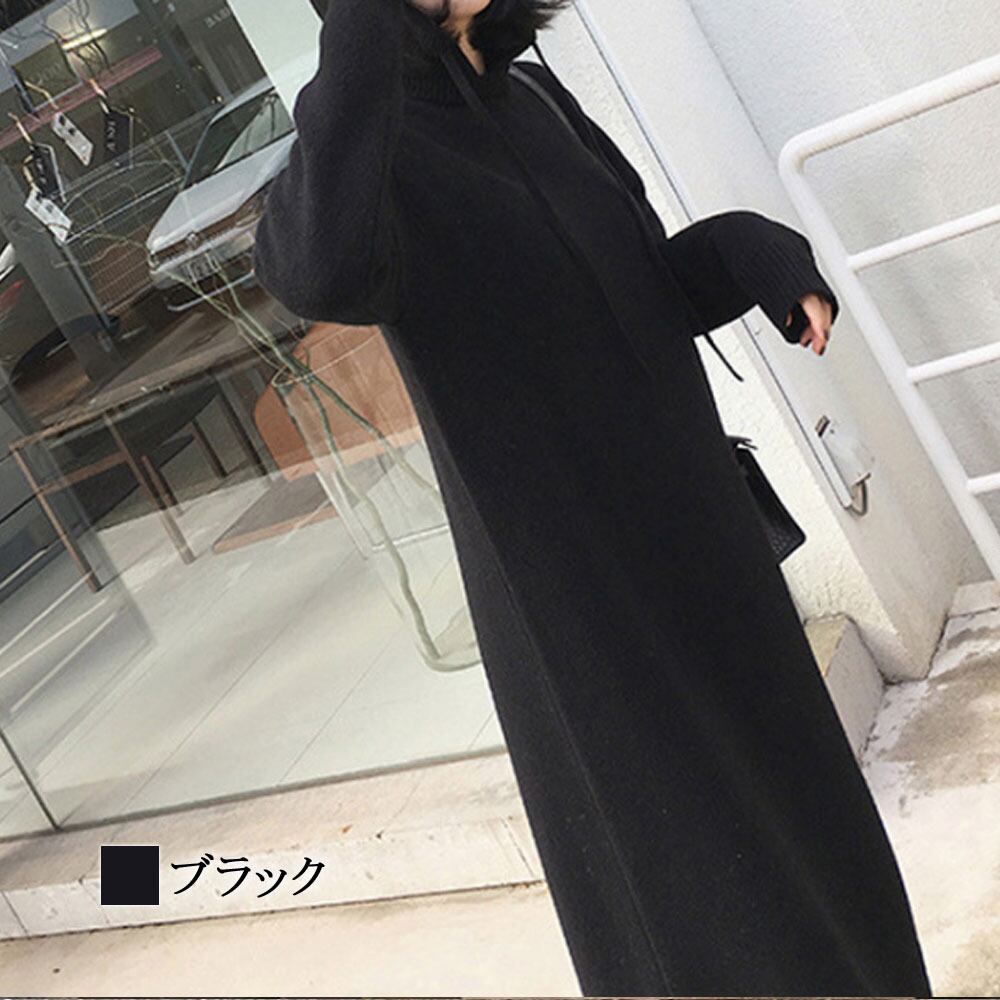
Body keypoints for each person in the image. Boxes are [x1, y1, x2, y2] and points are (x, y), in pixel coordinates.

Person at [252, 0, 933, 995]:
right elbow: (320, 271)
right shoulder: (370, 151)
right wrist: (363, 31)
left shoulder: (533, 95)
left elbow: (643, 290)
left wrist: (748, 249)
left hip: (704, 545)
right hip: (580, 603)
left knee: (817, 832)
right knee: (712, 903)